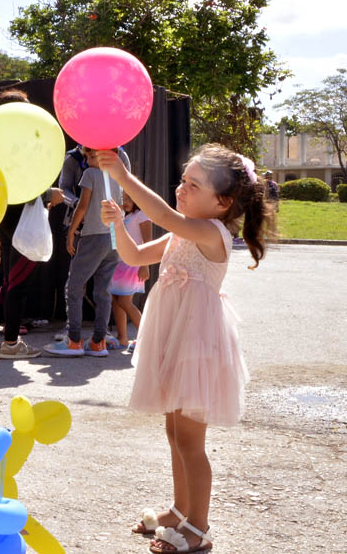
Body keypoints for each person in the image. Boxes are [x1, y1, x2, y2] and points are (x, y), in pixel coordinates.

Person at [98, 143, 272, 553]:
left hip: (196, 343)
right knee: (174, 432)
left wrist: (124, 177)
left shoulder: (212, 232)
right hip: (174, 336)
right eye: (182, 180)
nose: (181, 188)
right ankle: (180, 510)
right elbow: (134, 255)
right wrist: (118, 223)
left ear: (222, 202)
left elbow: (162, 215)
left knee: (191, 442)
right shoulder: (182, 231)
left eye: (193, 185)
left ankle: (199, 527)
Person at [0, 88, 64, 360]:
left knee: (10, 283)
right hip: (23, 219)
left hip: (6, 218)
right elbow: (24, 184)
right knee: (16, 285)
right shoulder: (16, 147)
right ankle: (10, 343)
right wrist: (50, 194)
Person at [43, 148, 130, 357]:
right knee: (103, 291)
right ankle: (99, 342)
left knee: (73, 287)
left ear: (101, 158)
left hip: (93, 236)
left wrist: (71, 232)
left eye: (92, 157)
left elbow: (82, 206)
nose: (88, 160)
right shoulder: (119, 175)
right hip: (114, 237)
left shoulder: (90, 174)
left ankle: (73, 340)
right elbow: (125, 203)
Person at [109, 191, 152, 351]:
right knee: (115, 300)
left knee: (125, 302)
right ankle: (123, 338)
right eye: (122, 199)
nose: (125, 202)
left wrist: (145, 264)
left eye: (129, 198)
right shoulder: (124, 217)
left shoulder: (141, 215)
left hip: (133, 263)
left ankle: (147, 338)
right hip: (119, 263)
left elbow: (148, 241)